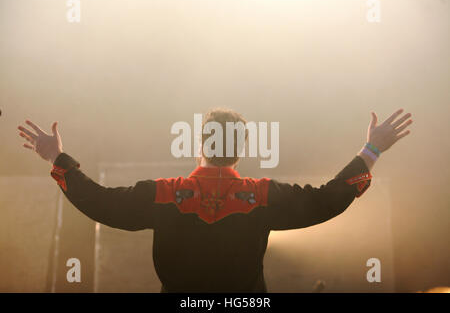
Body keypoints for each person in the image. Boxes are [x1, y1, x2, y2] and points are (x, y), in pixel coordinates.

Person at [17, 107, 412, 292]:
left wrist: (57, 158)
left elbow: (98, 202)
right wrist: (371, 151)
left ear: (198, 147)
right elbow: (329, 199)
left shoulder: (163, 194)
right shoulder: (262, 197)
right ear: (239, 151)